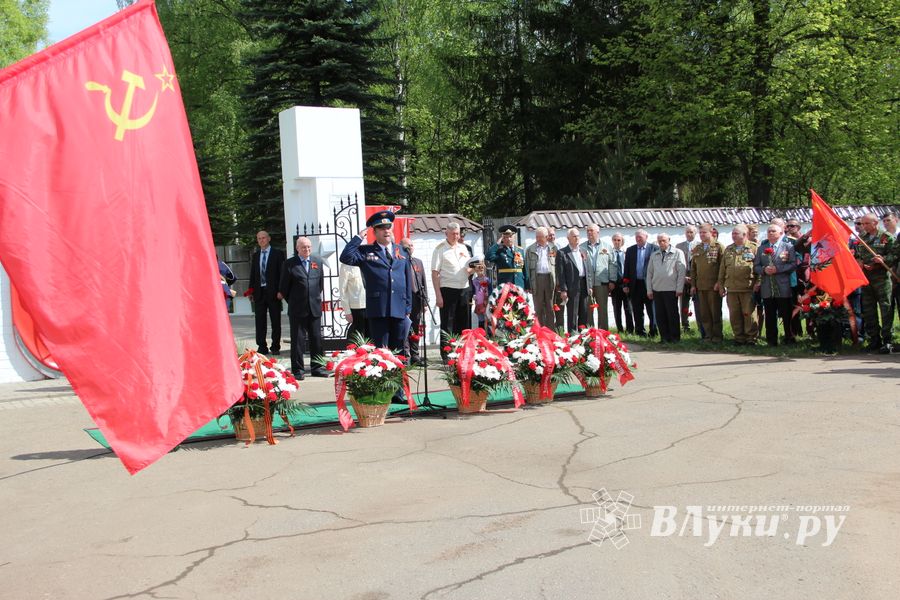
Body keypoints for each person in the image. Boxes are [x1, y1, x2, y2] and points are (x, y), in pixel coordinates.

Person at [340, 211, 412, 352]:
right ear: (374, 232)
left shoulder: (402, 251)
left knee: (399, 350)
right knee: (381, 350)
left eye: (388, 227)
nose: (386, 231)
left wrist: (408, 307)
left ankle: (401, 367)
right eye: (381, 228)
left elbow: (408, 280)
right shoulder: (366, 251)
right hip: (378, 308)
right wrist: (358, 238)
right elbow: (345, 257)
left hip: (399, 306)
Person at [278, 237, 327, 379]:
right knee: (298, 341)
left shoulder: (317, 262)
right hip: (297, 308)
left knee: (316, 339)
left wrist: (313, 298)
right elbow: (284, 288)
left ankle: (317, 367)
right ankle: (298, 370)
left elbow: (320, 284)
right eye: (304, 247)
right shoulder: (289, 264)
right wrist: (295, 301)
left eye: (309, 247)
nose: (307, 249)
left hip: (314, 307)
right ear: (297, 248)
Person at [853, 213, 897, 353]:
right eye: (862, 223)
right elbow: (858, 255)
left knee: (886, 309)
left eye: (866, 223)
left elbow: (895, 255)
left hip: (882, 279)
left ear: (875, 223)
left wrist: (883, 260)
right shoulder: (862, 238)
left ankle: (887, 340)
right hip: (866, 280)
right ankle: (874, 340)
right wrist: (859, 262)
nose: (864, 226)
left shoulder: (886, 237)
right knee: (869, 310)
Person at [431, 223, 472, 355]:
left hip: (464, 289)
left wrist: (475, 269)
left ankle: (463, 352)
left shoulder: (463, 247)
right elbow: (435, 274)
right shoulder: (440, 249)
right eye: (453, 234)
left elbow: (468, 269)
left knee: (464, 322)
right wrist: (438, 295)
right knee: (448, 323)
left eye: (457, 233)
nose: (456, 236)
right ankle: (447, 354)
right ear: (446, 234)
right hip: (448, 290)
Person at [754, 224, 797, 346]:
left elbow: (793, 264)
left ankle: (789, 338)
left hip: (783, 286)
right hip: (767, 287)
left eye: (773, 231)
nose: (771, 233)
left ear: (781, 233)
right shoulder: (761, 248)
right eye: (769, 231)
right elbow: (756, 266)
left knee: (786, 314)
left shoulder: (788, 247)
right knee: (770, 314)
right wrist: (764, 270)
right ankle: (771, 340)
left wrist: (778, 269)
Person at [717, 225, 759, 345]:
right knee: (734, 314)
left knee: (749, 314)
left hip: (748, 287)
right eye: (733, 233)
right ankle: (739, 338)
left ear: (744, 235)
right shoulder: (729, 249)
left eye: (736, 234)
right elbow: (722, 269)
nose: (733, 236)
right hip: (732, 288)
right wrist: (721, 285)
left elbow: (759, 267)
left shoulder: (754, 248)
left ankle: (751, 338)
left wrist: (758, 282)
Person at [249, 230, 285, 355]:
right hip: (259, 293)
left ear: (269, 238)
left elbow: (282, 274)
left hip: (274, 293)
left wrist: (281, 290)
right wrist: (251, 291)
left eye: (264, 238)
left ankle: (275, 346)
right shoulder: (256, 255)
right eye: (259, 238)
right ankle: (262, 346)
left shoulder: (277, 254)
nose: (261, 240)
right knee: (260, 321)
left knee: (275, 321)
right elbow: (253, 274)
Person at [646, 233, 685, 343]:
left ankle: (675, 338)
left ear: (669, 240)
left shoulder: (678, 253)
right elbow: (649, 273)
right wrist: (649, 289)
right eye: (659, 241)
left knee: (672, 314)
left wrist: (679, 288)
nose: (662, 243)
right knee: (660, 315)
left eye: (664, 240)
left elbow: (681, 272)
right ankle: (664, 337)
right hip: (657, 289)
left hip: (671, 289)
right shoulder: (654, 255)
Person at [690, 223, 725, 343]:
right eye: (700, 233)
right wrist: (693, 285)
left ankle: (717, 336)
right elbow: (693, 268)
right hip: (700, 286)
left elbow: (722, 267)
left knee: (715, 312)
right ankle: (708, 336)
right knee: (704, 313)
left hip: (713, 286)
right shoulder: (697, 248)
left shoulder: (718, 247)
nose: (702, 235)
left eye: (704, 232)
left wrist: (719, 283)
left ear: (712, 232)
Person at [581, 224, 617, 331]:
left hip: (602, 283)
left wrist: (612, 280)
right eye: (588, 231)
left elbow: (612, 264)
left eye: (591, 230)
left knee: (602, 310)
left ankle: (603, 333)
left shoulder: (607, 247)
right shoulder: (581, 247)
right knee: (588, 310)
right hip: (587, 284)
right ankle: (590, 334)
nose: (589, 233)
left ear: (598, 232)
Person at [623, 229, 658, 336]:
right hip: (635, 285)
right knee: (637, 310)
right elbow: (627, 268)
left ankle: (653, 331)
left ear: (646, 237)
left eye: (640, 237)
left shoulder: (654, 249)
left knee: (651, 309)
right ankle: (640, 332)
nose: (638, 239)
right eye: (636, 237)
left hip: (649, 284)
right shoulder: (630, 250)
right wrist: (625, 284)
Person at [401, 237, 428, 365]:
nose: (410, 248)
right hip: (404, 299)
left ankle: (415, 355)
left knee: (415, 327)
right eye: (407, 246)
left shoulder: (418, 262)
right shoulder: (399, 262)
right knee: (405, 327)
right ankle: (406, 356)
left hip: (417, 297)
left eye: (411, 245)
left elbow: (423, 282)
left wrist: (425, 302)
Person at [556, 227, 588, 333]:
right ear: (568, 238)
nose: (577, 238)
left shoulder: (583, 251)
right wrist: (563, 290)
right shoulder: (562, 253)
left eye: (578, 236)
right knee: (572, 313)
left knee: (584, 311)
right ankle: (573, 335)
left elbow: (588, 269)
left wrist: (590, 285)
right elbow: (561, 273)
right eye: (574, 236)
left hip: (584, 284)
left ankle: (583, 335)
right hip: (571, 286)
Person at [525, 226, 558, 328]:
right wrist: (528, 284)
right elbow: (526, 268)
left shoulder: (553, 248)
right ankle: (540, 331)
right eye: (537, 237)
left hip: (550, 279)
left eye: (540, 237)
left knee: (550, 307)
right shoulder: (530, 249)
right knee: (538, 308)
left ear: (547, 237)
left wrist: (558, 283)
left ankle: (550, 331)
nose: (538, 239)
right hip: (537, 280)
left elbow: (557, 266)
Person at [675, 225, 702, 334]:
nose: (689, 234)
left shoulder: (700, 245)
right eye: (687, 232)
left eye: (691, 232)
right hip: (684, 276)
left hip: (697, 277)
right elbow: (676, 264)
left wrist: (694, 277)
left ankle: (701, 326)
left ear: (695, 233)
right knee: (683, 303)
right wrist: (683, 277)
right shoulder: (679, 246)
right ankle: (685, 326)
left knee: (698, 303)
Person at [486, 224, 527, 289]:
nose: (508, 239)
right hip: (505, 284)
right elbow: (488, 256)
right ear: (503, 239)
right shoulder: (499, 251)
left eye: (510, 236)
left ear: (514, 237)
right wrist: (497, 244)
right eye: (506, 237)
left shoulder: (520, 250)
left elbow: (524, 269)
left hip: (519, 283)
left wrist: (527, 285)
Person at [609, 233, 633, 334]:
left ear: (622, 241)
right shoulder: (609, 253)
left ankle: (630, 330)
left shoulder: (627, 253)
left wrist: (628, 284)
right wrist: (610, 282)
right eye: (614, 240)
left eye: (619, 240)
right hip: (615, 284)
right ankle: (620, 329)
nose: (616, 242)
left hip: (625, 283)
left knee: (628, 308)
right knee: (616, 308)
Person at [339, 264, 367, 342]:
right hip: (357, 308)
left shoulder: (369, 262)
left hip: (372, 306)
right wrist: (347, 311)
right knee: (358, 338)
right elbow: (343, 291)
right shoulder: (346, 266)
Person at [469, 258, 492, 330]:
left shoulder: (487, 280)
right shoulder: (474, 281)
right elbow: (473, 291)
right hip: (479, 302)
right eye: (478, 270)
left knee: (487, 317)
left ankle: (488, 333)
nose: (480, 272)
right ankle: (481, 332)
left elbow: (490, 290)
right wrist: (473, 297)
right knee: (480, 318)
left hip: (486, 301)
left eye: (481, 270)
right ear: (476, 271)